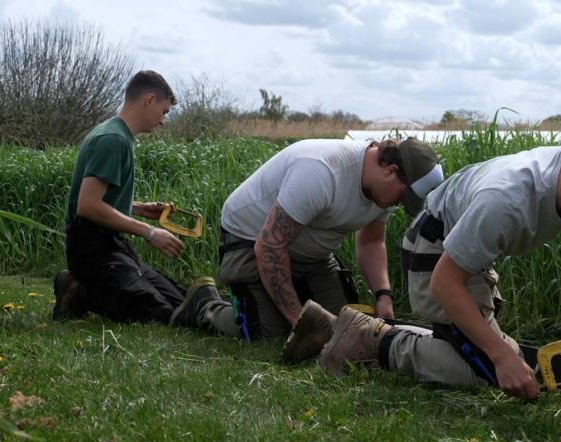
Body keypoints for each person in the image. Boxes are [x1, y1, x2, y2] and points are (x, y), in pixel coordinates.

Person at [288, 137, 561, 400]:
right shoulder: (508, 200)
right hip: (433, 253)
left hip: (466, 252)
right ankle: (368, 338)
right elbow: (444, 282)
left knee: (501, 358)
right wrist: (500, 357)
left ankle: (425, 335)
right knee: (485, 372)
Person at [216, 137, 443, 350]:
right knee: (272, 336)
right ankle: (206, 304)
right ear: (390, 171)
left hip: (313, 257)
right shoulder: (321, 171)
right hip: (250, 241)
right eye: (403, 197)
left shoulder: (384, 190)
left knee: (344, 328)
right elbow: (270, 247)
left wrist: (383, 295)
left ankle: (285, 301)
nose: (400, 204)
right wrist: (302, 323)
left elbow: (371, 243)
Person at [52, 70, 234, 334]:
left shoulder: (116, 134)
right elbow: (87, 206)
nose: (163, 121)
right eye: (164, 111)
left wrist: (137, 208)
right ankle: (76, 289)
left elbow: (98, 198)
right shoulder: (113, 140)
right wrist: (149, 232)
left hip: (112, 245)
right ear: (149, 100)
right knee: (154, 309)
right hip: (91, 249)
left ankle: (87, 286)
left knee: (177, 298)